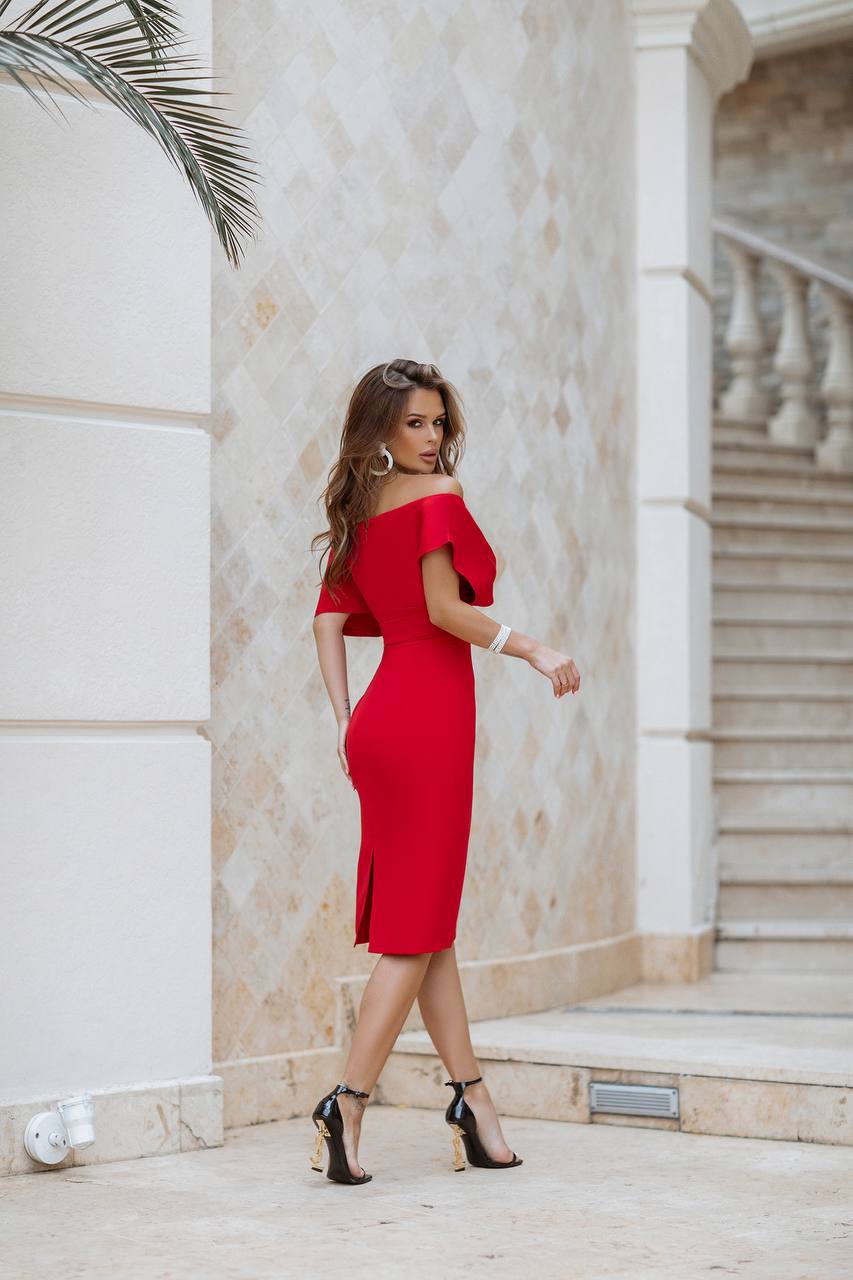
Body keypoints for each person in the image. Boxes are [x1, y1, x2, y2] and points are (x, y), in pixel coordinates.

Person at [310, 358, 580, 1185]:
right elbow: (444, 612)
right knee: (412, 930)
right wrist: (532, 647)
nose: (431, 439)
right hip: (427, 722)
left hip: (381, 721)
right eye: (415, 424)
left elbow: (325, 618)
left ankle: (472, 1100)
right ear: (381, 430)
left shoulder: (357, 509)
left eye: (437, 423)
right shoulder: (438, 499)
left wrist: (345, 719)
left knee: (428, 926)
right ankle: (347, 1100)